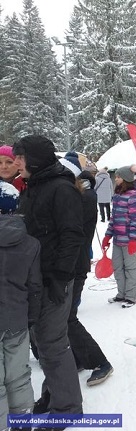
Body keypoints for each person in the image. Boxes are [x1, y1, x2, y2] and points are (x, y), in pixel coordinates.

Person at [12, 135, 85, 420]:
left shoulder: (60, 189)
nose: (17, 162)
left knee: (52, 344)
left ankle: (67, 410)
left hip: (54, 278)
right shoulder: (34, 186)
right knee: (44, 343)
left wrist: (60, 277)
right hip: (36, 278)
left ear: (36, 159)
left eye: (21, 156)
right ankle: (54, 395)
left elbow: (72, 236)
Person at [62, 161, 113, 386]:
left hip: (74, 265)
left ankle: (100, 362)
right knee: (65, 318)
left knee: (67, 318)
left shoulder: (83, 197)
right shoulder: (84, 195)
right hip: (75, 263)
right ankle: (78, 357)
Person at [0, 182, 42, 431]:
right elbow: (34, 286)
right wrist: (31, 317)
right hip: (17, 319)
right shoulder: (30, 243)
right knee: (19, 376)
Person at [103, 166, 136, 308]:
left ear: (125, 179)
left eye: (118, 177)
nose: (116, 179)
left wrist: (133, 240)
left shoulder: (135, 196)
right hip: (117, 239)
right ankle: (121, 293)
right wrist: (108, 236)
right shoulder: (118, 195)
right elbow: (113, 218)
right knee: (118, 267)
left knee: (130, 268)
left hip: (130, 240)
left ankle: (131, 296)